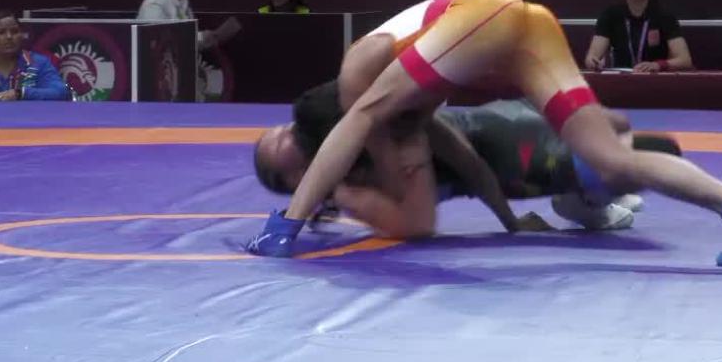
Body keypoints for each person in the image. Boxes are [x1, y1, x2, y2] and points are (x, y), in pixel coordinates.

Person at [246, 0, 722, 267]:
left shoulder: (358, 81)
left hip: (486, 14)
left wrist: (290, 223)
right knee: (611, 159)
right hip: (525, 29)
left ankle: (282, 226)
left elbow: (362, 132)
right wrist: (508, 220)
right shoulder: (407, 100)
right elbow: (456, 152)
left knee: (364, 118)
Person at [254, 82, 685, 236]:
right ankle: (586, 196)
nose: (292, 136)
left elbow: (468, 165)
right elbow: (418, 223)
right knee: (641, 159)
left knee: (618, 127)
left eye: (290, 133)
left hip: (506, 128)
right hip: (520, 158)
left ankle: (586, 197)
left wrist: (510, 222)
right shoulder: (352, 186)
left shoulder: (386, 129)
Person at [585, 0, 693, 73]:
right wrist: (593, 61)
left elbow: (685, 60)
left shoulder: (665, 16)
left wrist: (658, 65)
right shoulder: (610, 15)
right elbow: (591, 57)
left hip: (654, 78)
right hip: (621, 78)